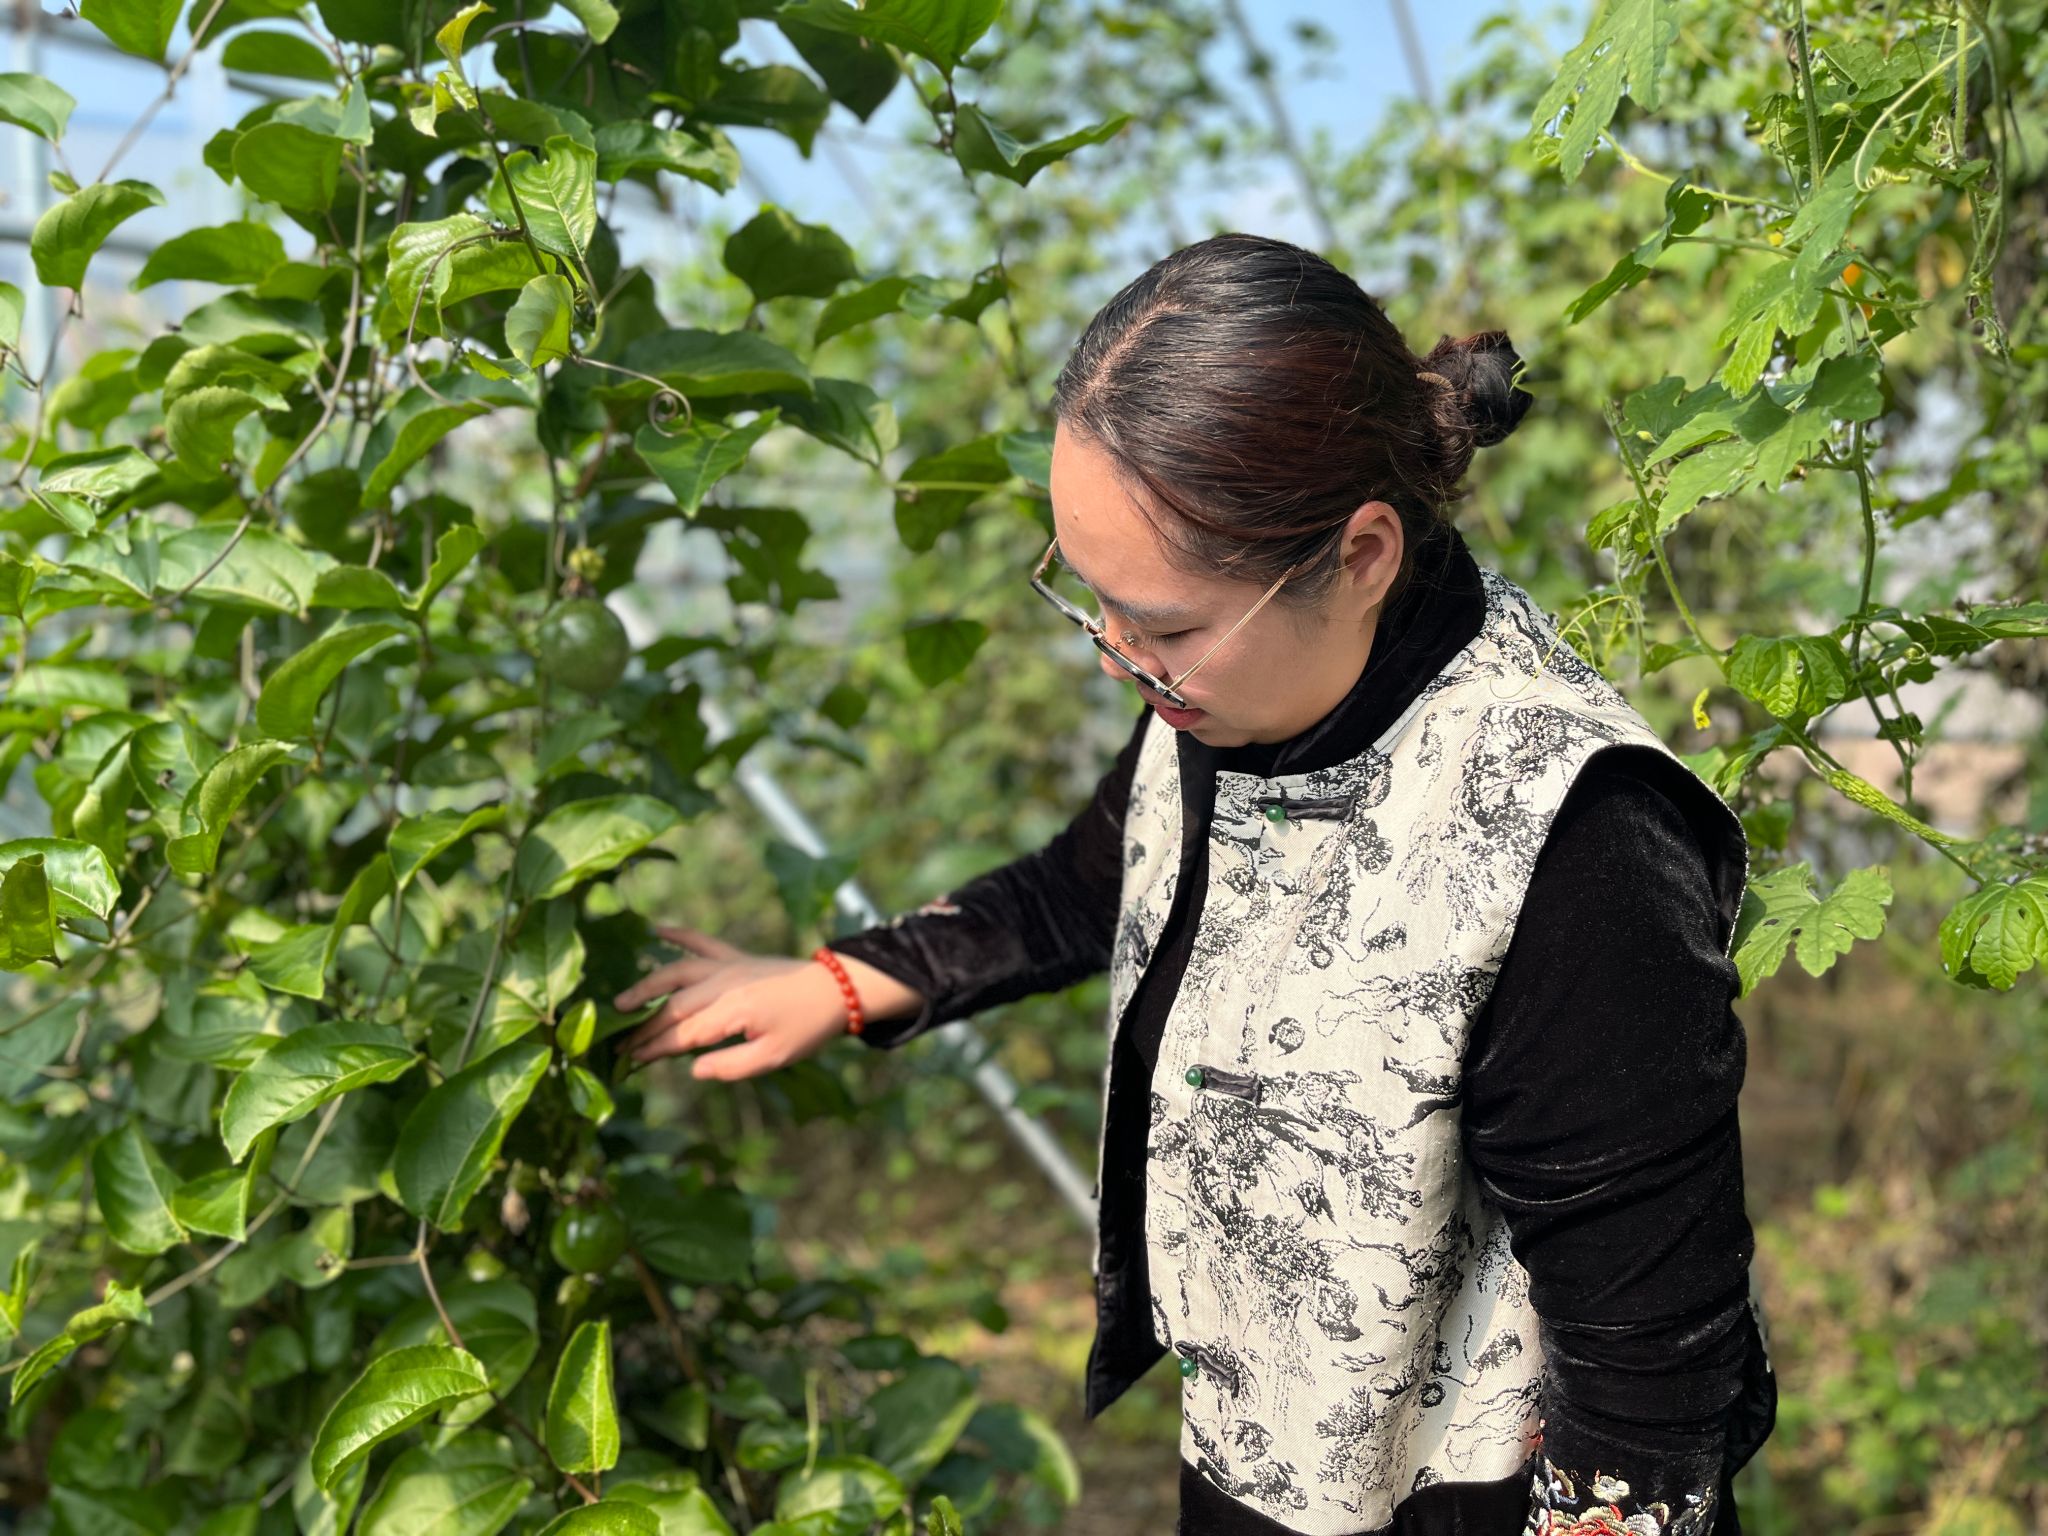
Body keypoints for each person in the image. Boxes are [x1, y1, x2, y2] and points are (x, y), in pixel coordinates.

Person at [615, 233, 1777, 1535]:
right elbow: (1092, 882)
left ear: (1364, 555)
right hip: (1267, 1459)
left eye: (1163, 623)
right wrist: (846, 981)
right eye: (1093, 600)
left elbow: (1650, 1385)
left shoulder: (1569, 832)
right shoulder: (1233, 699)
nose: (1118, 657)